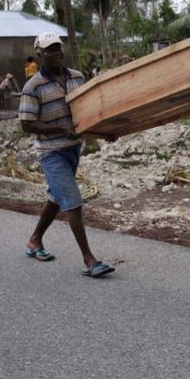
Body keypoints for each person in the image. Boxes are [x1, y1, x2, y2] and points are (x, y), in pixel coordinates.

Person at [19, 32, 114, 278]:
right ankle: (90, 260)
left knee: (56, 197)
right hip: (51, 152)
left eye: (58, 48)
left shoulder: (77, 77)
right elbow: (27, 124)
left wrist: (106, 132)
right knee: (72, 200)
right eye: (49, 50)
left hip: (73, 148)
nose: (56, 53)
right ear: (40, 54)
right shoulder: (33, 87)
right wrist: (59, 129)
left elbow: (87, 111)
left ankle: (34, 240)